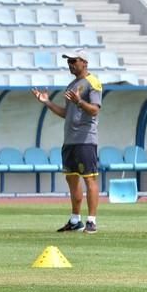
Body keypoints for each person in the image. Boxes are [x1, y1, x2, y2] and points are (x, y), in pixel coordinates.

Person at [31, 48, 102, 234]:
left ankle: (92, 221)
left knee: (90, 179)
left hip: (86, 139)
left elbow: (95, 110)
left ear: (84, 62)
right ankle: (75, 220)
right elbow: (66, 113)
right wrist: (47, 102)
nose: (70, 64)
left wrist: (79, 102)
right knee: (72, 179)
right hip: (69, 140)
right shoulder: (72, 85)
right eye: (68, 61)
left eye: (73, 61)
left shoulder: (92, 83)